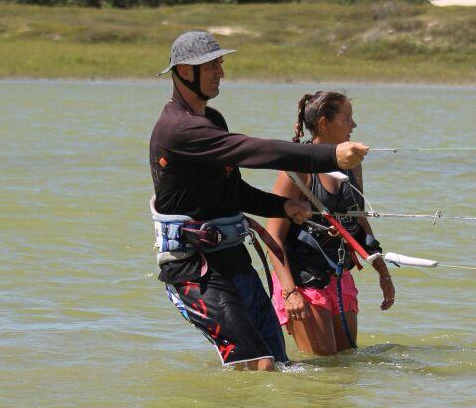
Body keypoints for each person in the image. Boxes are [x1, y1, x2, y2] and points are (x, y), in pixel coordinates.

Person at [150, 31, 369, 371]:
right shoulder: (179, 129)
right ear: (183, 71)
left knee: (279, 363)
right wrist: (329, 155)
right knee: (259, 364)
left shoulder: (212, 120)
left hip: (232, 258)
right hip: (194, 270)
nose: (220, 71)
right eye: (210, 65)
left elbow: (233, 190)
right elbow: (252, 150)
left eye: (220, 63)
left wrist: (280, 207)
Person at [265, 91, 395, 356]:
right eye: (347, 119)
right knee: (323, 368)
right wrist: (290, 293)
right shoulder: (297, 168)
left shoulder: (352, 165)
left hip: (338, 275)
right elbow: (273, 236)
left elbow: (359, 223)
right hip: (302, 281)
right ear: (324, 123)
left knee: (345, 363)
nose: (354, 126)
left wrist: (383, 271)